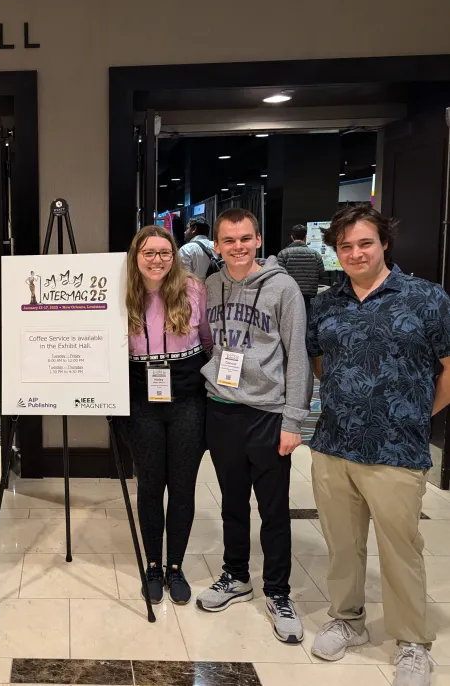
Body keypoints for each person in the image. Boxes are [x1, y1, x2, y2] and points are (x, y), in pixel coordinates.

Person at [307, 205, 447, 686]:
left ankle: (412, 642)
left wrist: (410, 413)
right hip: (332, 444)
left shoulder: (426, 298)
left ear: (384, 243)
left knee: (400, 547)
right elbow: (321, 363)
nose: (354, 253)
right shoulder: (327, 303)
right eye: (344, 246)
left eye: (364, 243)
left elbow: (448, 371)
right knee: (342, 544)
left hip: (397, 450)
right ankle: (347, 620)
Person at [196, 208, 312, 645]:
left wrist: (294, 420)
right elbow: (208, 341)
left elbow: (297, 356)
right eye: (229, 240)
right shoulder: (210, 285)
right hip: (222, 409)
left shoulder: (283, 288)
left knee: (274, 510)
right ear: (218, 245)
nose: (238, 247)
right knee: (231, 502)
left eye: (245, 238)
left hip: (268, 413)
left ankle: (278, 591)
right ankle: (235, 575)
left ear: (259, 240)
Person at [113, 226, 212, 605]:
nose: (157, 260)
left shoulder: (193, 289)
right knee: (151, 486)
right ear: (135, 256)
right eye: (149, 252)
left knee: (183, 486)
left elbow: (206, 341)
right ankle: (153, 563)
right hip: (140, 397)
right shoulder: (122, 292)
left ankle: (176, 565)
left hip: (187, 396)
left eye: (164, 252)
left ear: (174, 255)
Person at [276, 224, 325, 316]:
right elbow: (321, 274)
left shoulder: (283, 254)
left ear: (291, 237)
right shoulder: (316, 254)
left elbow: (278, 276)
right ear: (305, 237)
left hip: (289, 296)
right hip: (309, 297)